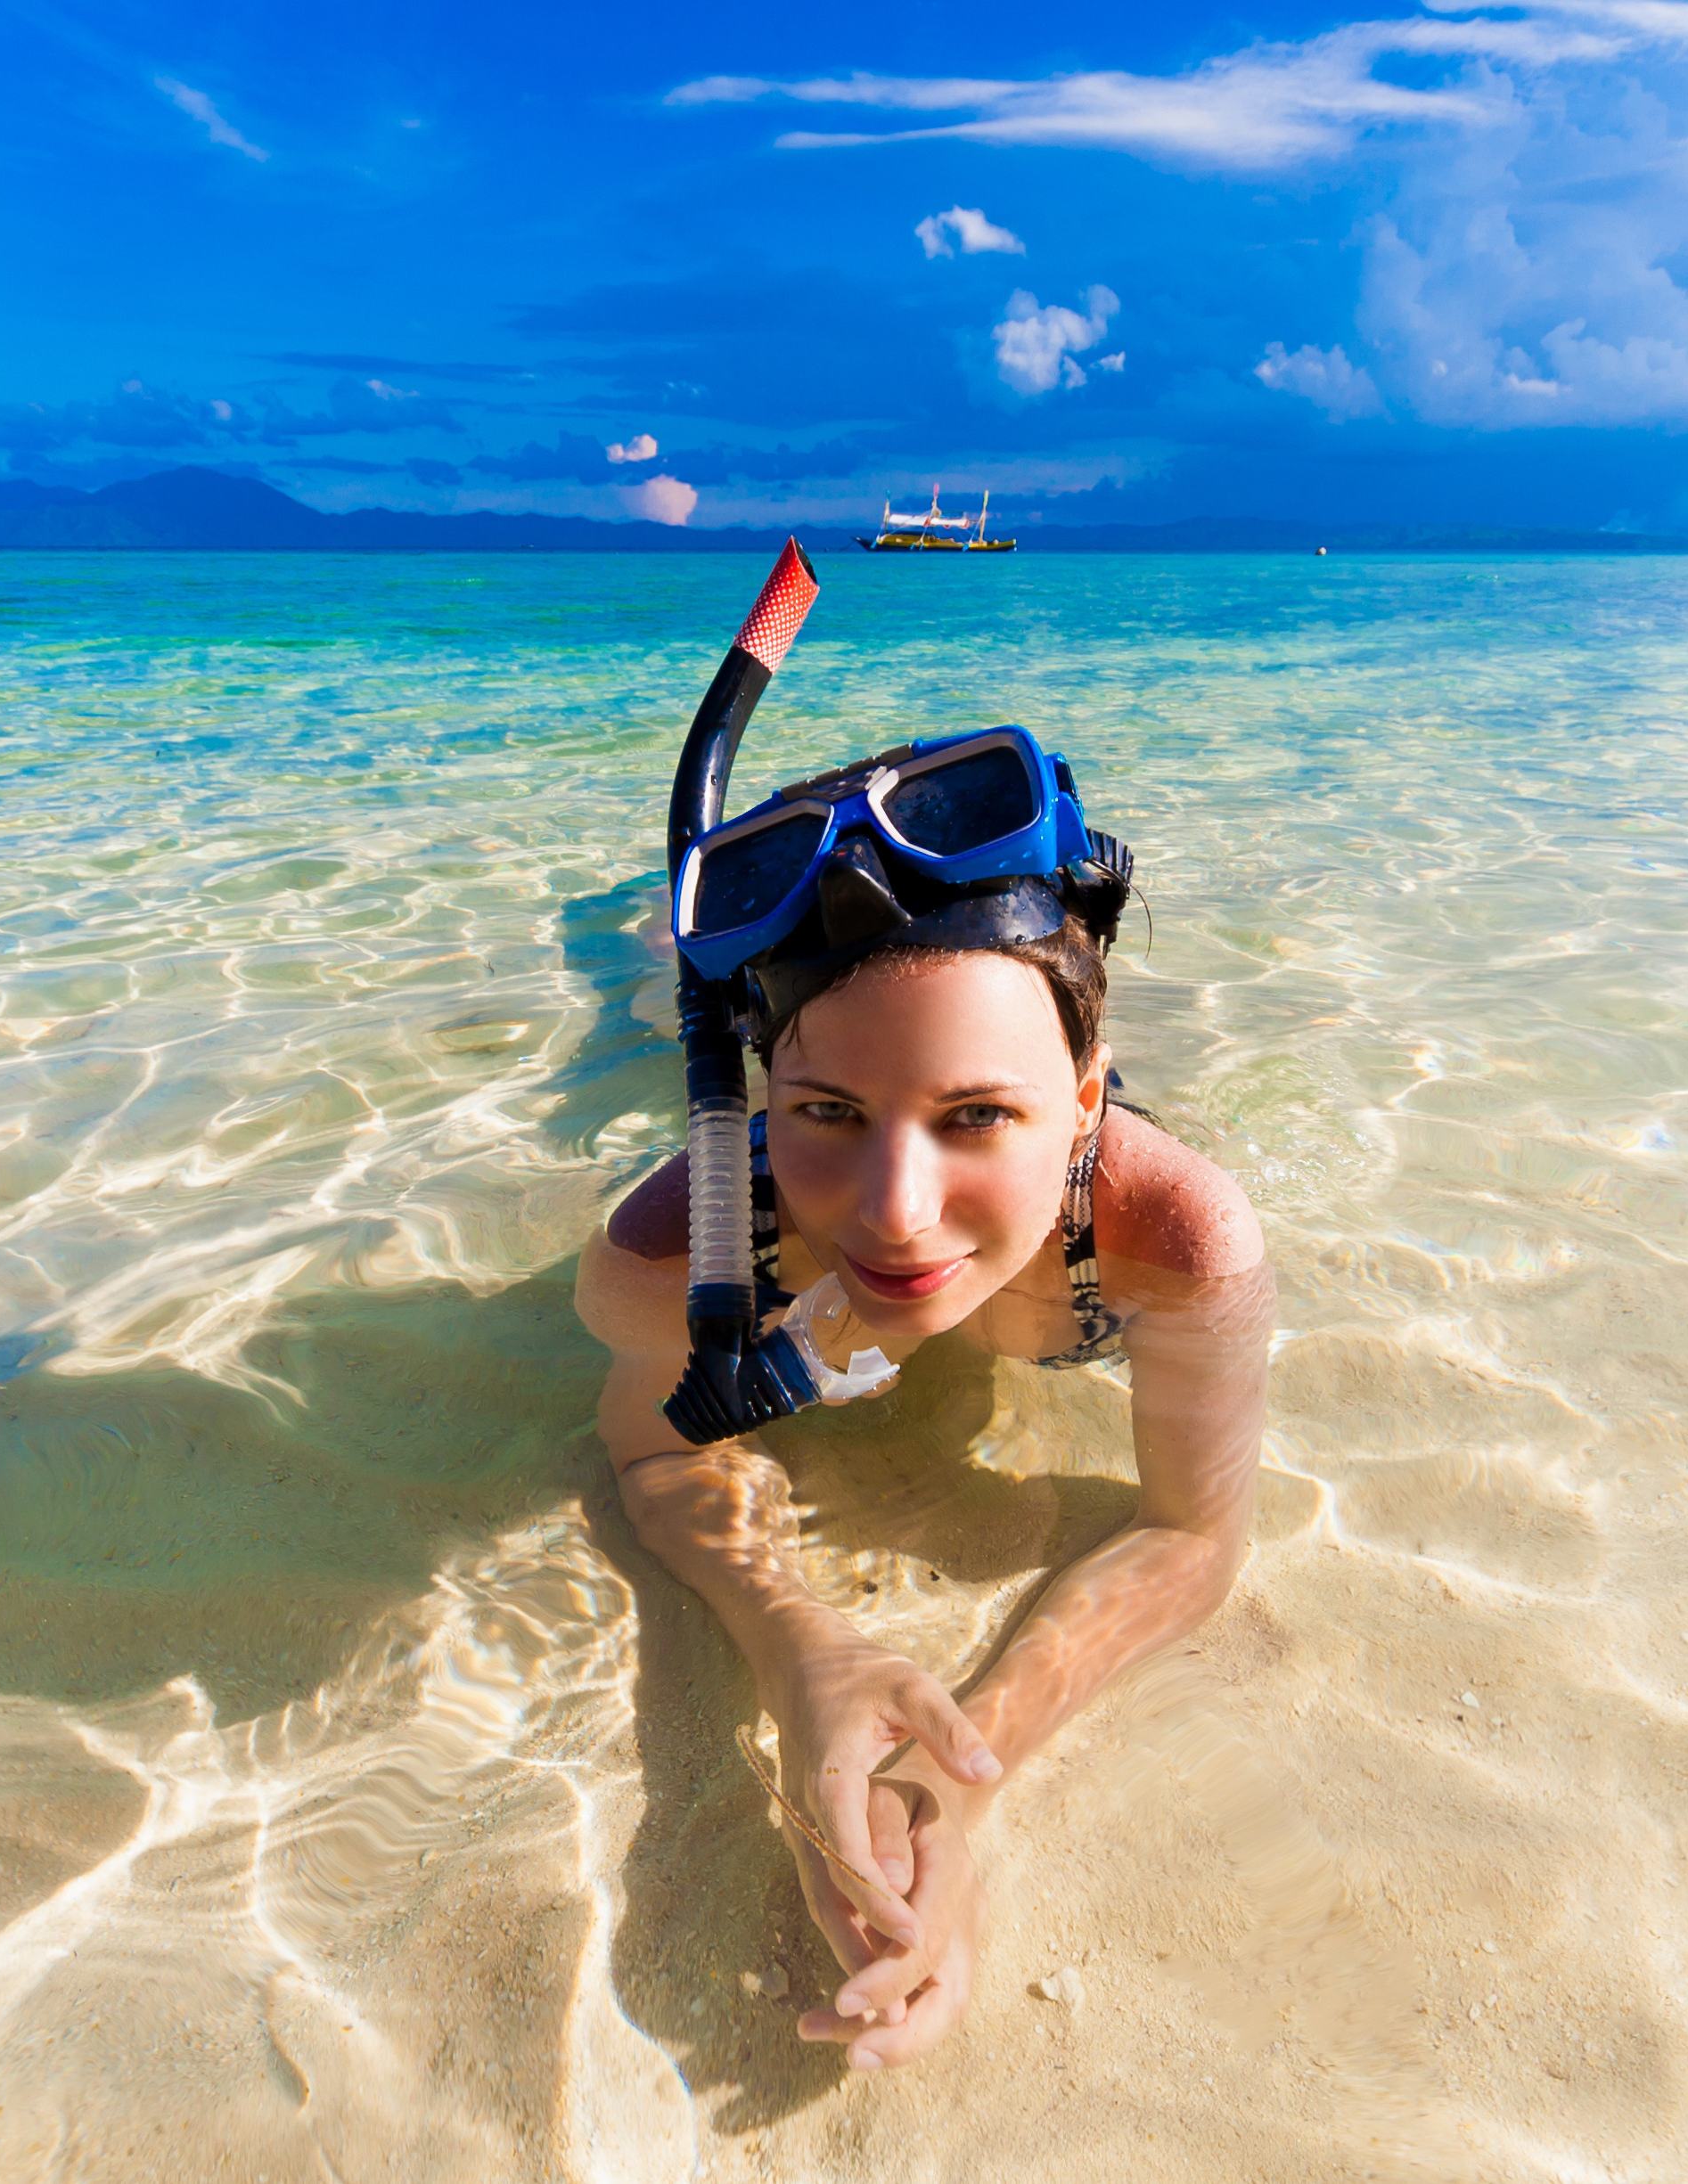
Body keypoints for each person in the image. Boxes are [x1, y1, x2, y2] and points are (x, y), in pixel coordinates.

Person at [574, 544, 1269, 2073]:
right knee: (620, 1005)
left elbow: (1193, 1535)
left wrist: (963, 1768)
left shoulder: (1177, 1240)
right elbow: (655, 1451)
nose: (892, 1213)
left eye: (977, 1117)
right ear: (757, 1101)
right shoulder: (673, 1253)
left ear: (1083, 1103)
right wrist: (799, 1652)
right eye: (825, 1112)